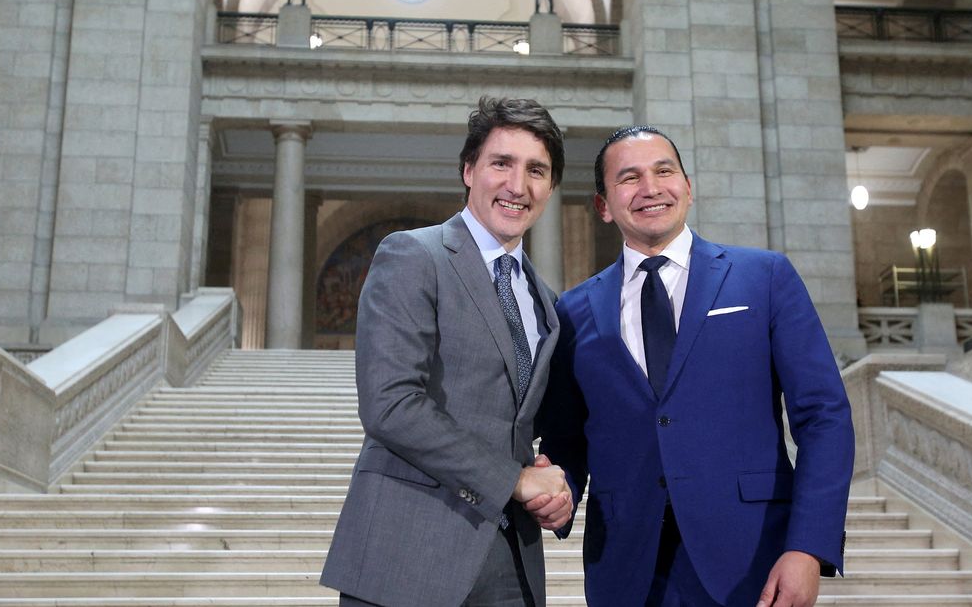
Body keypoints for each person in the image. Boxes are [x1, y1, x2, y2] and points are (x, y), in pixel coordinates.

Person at [537, 126, 855, 606]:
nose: (650, 188)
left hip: (752, 560)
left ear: (688, 186)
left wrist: (808, 547)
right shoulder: (573, 311)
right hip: (626, 569)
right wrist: (557, 493)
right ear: (603, 206)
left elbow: (824, 417)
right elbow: (568, 438)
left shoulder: (764, 278)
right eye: (629, 178)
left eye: (664, 171)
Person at [321, 97, 574, 607]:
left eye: (536, 171)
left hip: (511, 561)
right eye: (501, 163)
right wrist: (516, 479)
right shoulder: (413, 254)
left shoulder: (546, 301)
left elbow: (520, 426)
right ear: (468, 170)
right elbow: (390, 405)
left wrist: (556, 489)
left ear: (549, 187)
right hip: (408, 552)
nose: (517, 186)